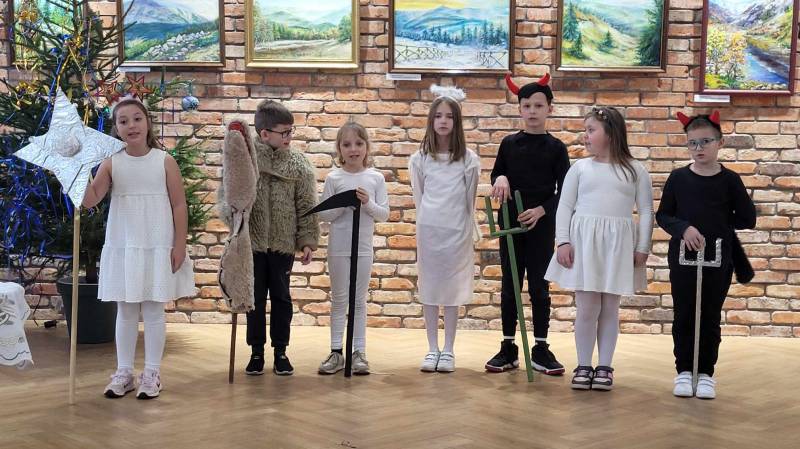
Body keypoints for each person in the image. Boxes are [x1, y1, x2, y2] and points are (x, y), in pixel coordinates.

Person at [83, 96, 195, 399]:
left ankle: (152, 373)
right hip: (126, 243)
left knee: (154, 308)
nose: (131, 125)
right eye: (123, 121)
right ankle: (124, 372)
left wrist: (179, 244)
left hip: (157, 242)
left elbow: (179, 204)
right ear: (116, 128)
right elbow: (91, 200)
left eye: (136, 118)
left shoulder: (164, 161)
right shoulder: (112, 162)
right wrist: (74, 171)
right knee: (126, 309)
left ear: (147, 123)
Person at [545, 106, 653, 391]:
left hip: (618, 246)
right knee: (587, 307)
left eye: (591, 130)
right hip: (585, 245)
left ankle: (605, 366)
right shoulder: (580, 168)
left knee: (610, 307)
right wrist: (563, 240)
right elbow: (564, 206)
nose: (586, 136)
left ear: (611, 133)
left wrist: (643, 246)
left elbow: (645, 210)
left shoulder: (635, 170)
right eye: (585, 130)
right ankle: (584, 364)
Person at [657, 111, 756, 399]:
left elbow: (747, 218)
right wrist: (684, 228)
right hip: (683, 258)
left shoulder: (730, 180)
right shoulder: (678, 178)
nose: (699, 148)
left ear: (720, 142)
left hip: (718, 257)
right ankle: (684, 371)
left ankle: (705, 373)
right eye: (693, 143)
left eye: (705, 142)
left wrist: (719, 224)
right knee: (684, 313)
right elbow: (664, 215)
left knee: (710, 314)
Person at [218, 100, 319, 376]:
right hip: (253, 244)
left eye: (291, 131)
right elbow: (228, 196)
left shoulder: (299, 164)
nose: (289, 137)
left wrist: (307, 240)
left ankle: (281, 351)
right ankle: (256, 352)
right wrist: (234, 220)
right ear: (265, 134)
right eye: (284, 132)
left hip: (283, 244)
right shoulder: (246, 160)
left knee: (282, 298)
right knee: (255, 299)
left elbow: (306, 204)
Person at [485, 73, 570, 375]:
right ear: (520, 109)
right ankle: (508, 347)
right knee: (510, 285)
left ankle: (541, 348)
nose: (532, 111)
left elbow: (565, 192)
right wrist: (501, 177)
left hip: (540, 226)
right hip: (510, 222)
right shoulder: (509, 144)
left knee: (539, 286)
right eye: (526, 106)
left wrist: (541, 211)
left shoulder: (557, 148)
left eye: (538, 105)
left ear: (549, 109)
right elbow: (496, 173)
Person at [409, 85, 480, 373]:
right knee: (429, 288)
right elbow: (419, 196)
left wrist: (466, 230)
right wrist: (426, 223)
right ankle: (432, 348)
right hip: (430, 232)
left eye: (449, 116)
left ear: (457, 121)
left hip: (457, 234)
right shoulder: (419, 158)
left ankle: (449, 349)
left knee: (452, 291)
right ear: (431, 120)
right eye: (438, 116)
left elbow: (469, 200)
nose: (443, 121)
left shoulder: (468, 159)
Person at [317, 122, 389, 375]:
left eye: (358, 143)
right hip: (338, 248)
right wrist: (342, 204)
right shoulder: (334, 178)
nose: (353, 149)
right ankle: (336, 351)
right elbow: (323, 215)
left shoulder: (375, 178)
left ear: (367, 147)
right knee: (339, 300)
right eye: (346, 144)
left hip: (363, 249)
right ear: (339, 149)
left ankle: (359, 352)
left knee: (358, 301)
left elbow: (383, 214)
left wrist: (367, 203)